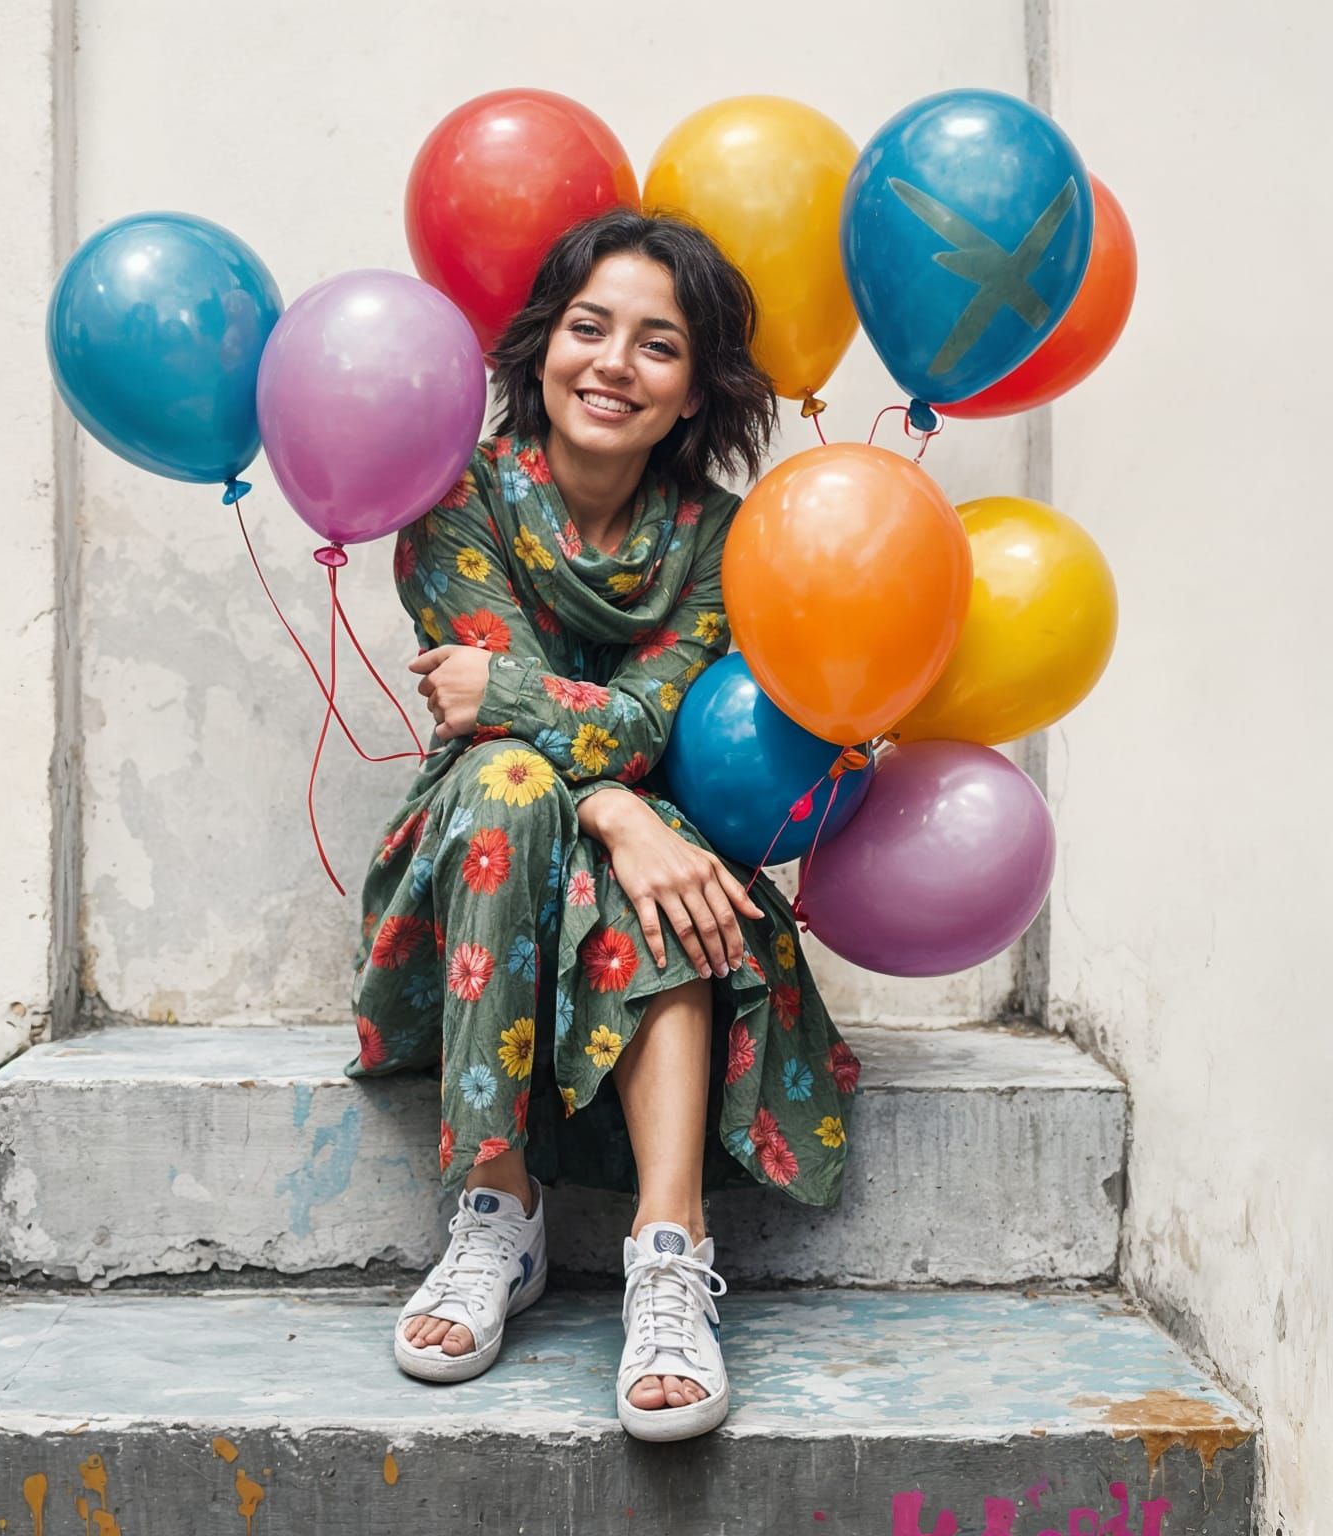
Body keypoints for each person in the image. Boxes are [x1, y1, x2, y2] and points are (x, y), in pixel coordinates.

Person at [347, 209, 859, 1442]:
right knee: (515, 790)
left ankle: (667, 1254)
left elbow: (643, 713)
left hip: (651, 854)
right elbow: (501, 734)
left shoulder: (727, 542)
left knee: (663, 863)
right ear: (540, 348)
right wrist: (618, 796)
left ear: (694, 394)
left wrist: (627, 800)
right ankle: (496, 1216)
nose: (613, 364)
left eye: (658, 344)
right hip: (476, 863)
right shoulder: (455, 499)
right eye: (589, 328)